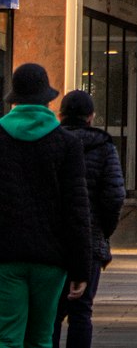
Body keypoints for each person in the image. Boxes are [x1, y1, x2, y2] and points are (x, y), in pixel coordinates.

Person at [0, 63, 92, 348]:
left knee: (7, 336)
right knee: (41, 336)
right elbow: (77, 209)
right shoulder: (66, 143)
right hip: (51, 259)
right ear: (47, 99)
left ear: (14, 99)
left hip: (5, 257)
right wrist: (81, 270)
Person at [52, 89, 125, 348]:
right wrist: (103, 230)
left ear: (60, 114)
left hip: (54, 239)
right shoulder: (104, 146)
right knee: (82, 311)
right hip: (90, 240)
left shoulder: (51, 142)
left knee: (53, 313)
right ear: (91, 117)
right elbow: (114, 195)